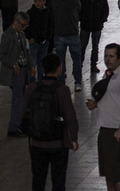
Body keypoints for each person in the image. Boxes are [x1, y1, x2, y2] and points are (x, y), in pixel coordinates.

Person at [22, 53, 79, 191]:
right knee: (58, 182)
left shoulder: (32, 88)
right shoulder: (62, 90)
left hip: (37, 142)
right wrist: (74, 138)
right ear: (59, 68)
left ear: (43, 68)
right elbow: (70, 116)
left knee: (38, 181)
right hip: (58, 143)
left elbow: (23, 113)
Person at [86, 43, 120, 191]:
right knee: (109, 173)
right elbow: (112, 98)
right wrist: (96, 104)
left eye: (111, 56)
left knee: (118, 172)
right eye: (106, 56)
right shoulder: (108, 75)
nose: (107, 59)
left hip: (116, 130)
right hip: (105, 128)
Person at [0, 11, 37, 137]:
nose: (25, 28)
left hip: (24, 69)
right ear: (16, 22)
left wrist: (32, 65)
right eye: (23, 25)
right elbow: (0, 54)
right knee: (17, 100)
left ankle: (21, 124)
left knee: (23, 99)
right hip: (15, 73)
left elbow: (26, 51)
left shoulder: (21, 33)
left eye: (26, 25)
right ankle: (13, 127)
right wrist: (14, 64)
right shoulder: (7, 35)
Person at [50, 0, 83, 92]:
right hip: (72, 32)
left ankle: (61, 83)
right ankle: (77, 82)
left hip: (58, 33)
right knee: (76, 59)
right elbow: (79, 10)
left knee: (60, 60)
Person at [80, 0, 110, 75]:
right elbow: (79, 10)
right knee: (82, 46)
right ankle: (79, 63)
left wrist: (101, 20)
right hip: (85, 26)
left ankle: (93, 64)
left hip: (96, 27)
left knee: (95, 46)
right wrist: (82, 19)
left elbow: (105, 11)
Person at [27, 0, 55, 81]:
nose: (37, 3)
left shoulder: (48, 12)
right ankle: (31, 82)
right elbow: (26, 27)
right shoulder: (30, 13)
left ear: (44, 2)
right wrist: (30, 37)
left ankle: (41, 82)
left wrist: (48, 38)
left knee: (41, 64)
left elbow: (50, 25)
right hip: (34, 42)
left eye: (40, 1)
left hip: (44, 42)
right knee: (33, 63)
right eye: (36, 1)